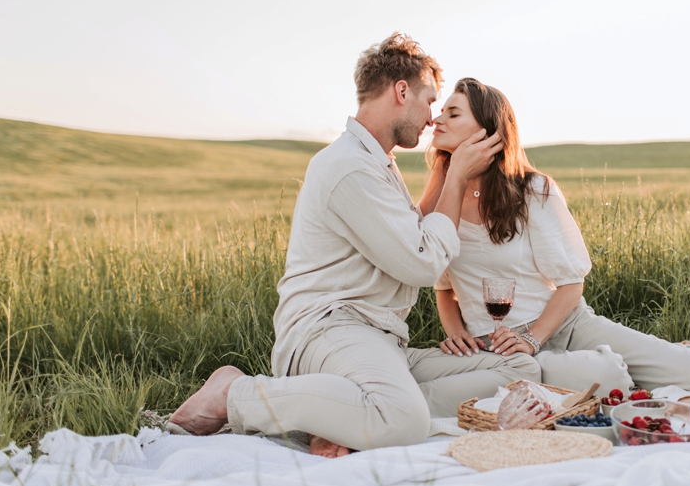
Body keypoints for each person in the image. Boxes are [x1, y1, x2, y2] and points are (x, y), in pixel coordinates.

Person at [170, 36, 540, 457]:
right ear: (401, 92)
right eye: (429, 100)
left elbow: (407, 234)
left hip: (379, 340)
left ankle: (337, 415)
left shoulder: (378, 162)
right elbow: (420, 263)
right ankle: (233, 394)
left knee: (518, 368)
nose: (432, 117)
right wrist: (457, 177)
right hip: (329, 330)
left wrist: (442, 172)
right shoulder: (348, 167)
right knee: (404, 420)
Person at [423, 77, 690, 393]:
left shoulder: (532, 191)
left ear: (487, 130)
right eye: (442, 112)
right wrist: (456, 332)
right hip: (498, 346)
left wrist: (533, 338)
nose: (437, 119)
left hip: (566, 324)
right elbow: (444, 287)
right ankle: (588, 370)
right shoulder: (440, 205)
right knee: (609, 379)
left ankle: (611, 362)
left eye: (453, 113)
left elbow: (570, 282)